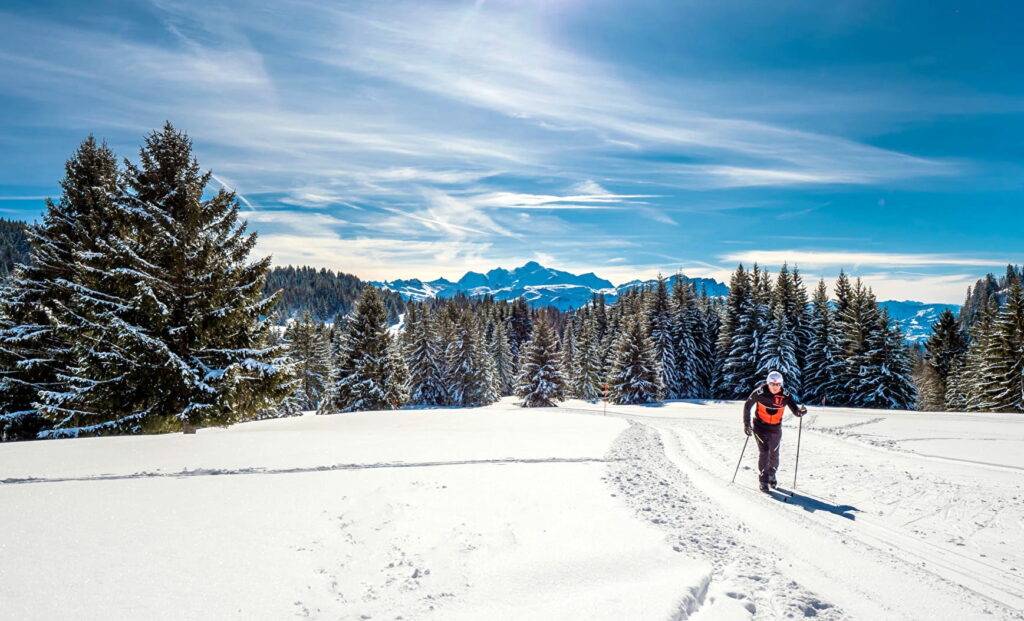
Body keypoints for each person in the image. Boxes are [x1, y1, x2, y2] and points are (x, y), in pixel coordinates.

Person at [742, 371, 807, 492]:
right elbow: (747, 405)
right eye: (772, 384)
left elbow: (795, 411)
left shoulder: (786, 395)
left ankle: (772, 474)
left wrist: (801, 412)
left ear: (781, 384)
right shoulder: (759, 393)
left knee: (774, 454)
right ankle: (763, 480)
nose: (775, 387)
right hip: (760, 427)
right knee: (765, 451)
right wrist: (747, 424)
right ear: (768, 383)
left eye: (778, 384)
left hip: (776, 428)